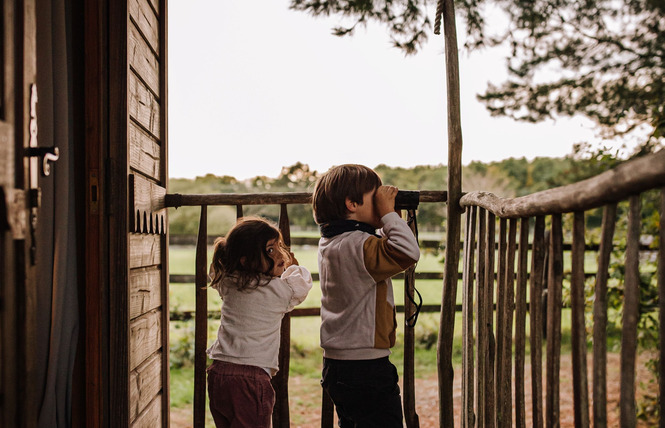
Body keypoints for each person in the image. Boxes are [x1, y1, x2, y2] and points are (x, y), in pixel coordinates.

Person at [312, 164, 421, 427]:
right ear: (352, 204)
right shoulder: (360, 246)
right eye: (377, 198)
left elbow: (372, 243)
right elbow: (409, 252)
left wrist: (386, 217)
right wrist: (389, 217)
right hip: (366, 368)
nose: (383, 203)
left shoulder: (333, 243)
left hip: (337, 364)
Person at [206, 216, 313, 428]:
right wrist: (291, 266)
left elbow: (214, 271)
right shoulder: (280, 290)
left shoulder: (229, 281)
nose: (282, 254)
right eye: (271, 250)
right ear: (246, 260)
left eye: (279, 247)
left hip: (219, 373)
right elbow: (302, 283)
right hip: (251, 378)